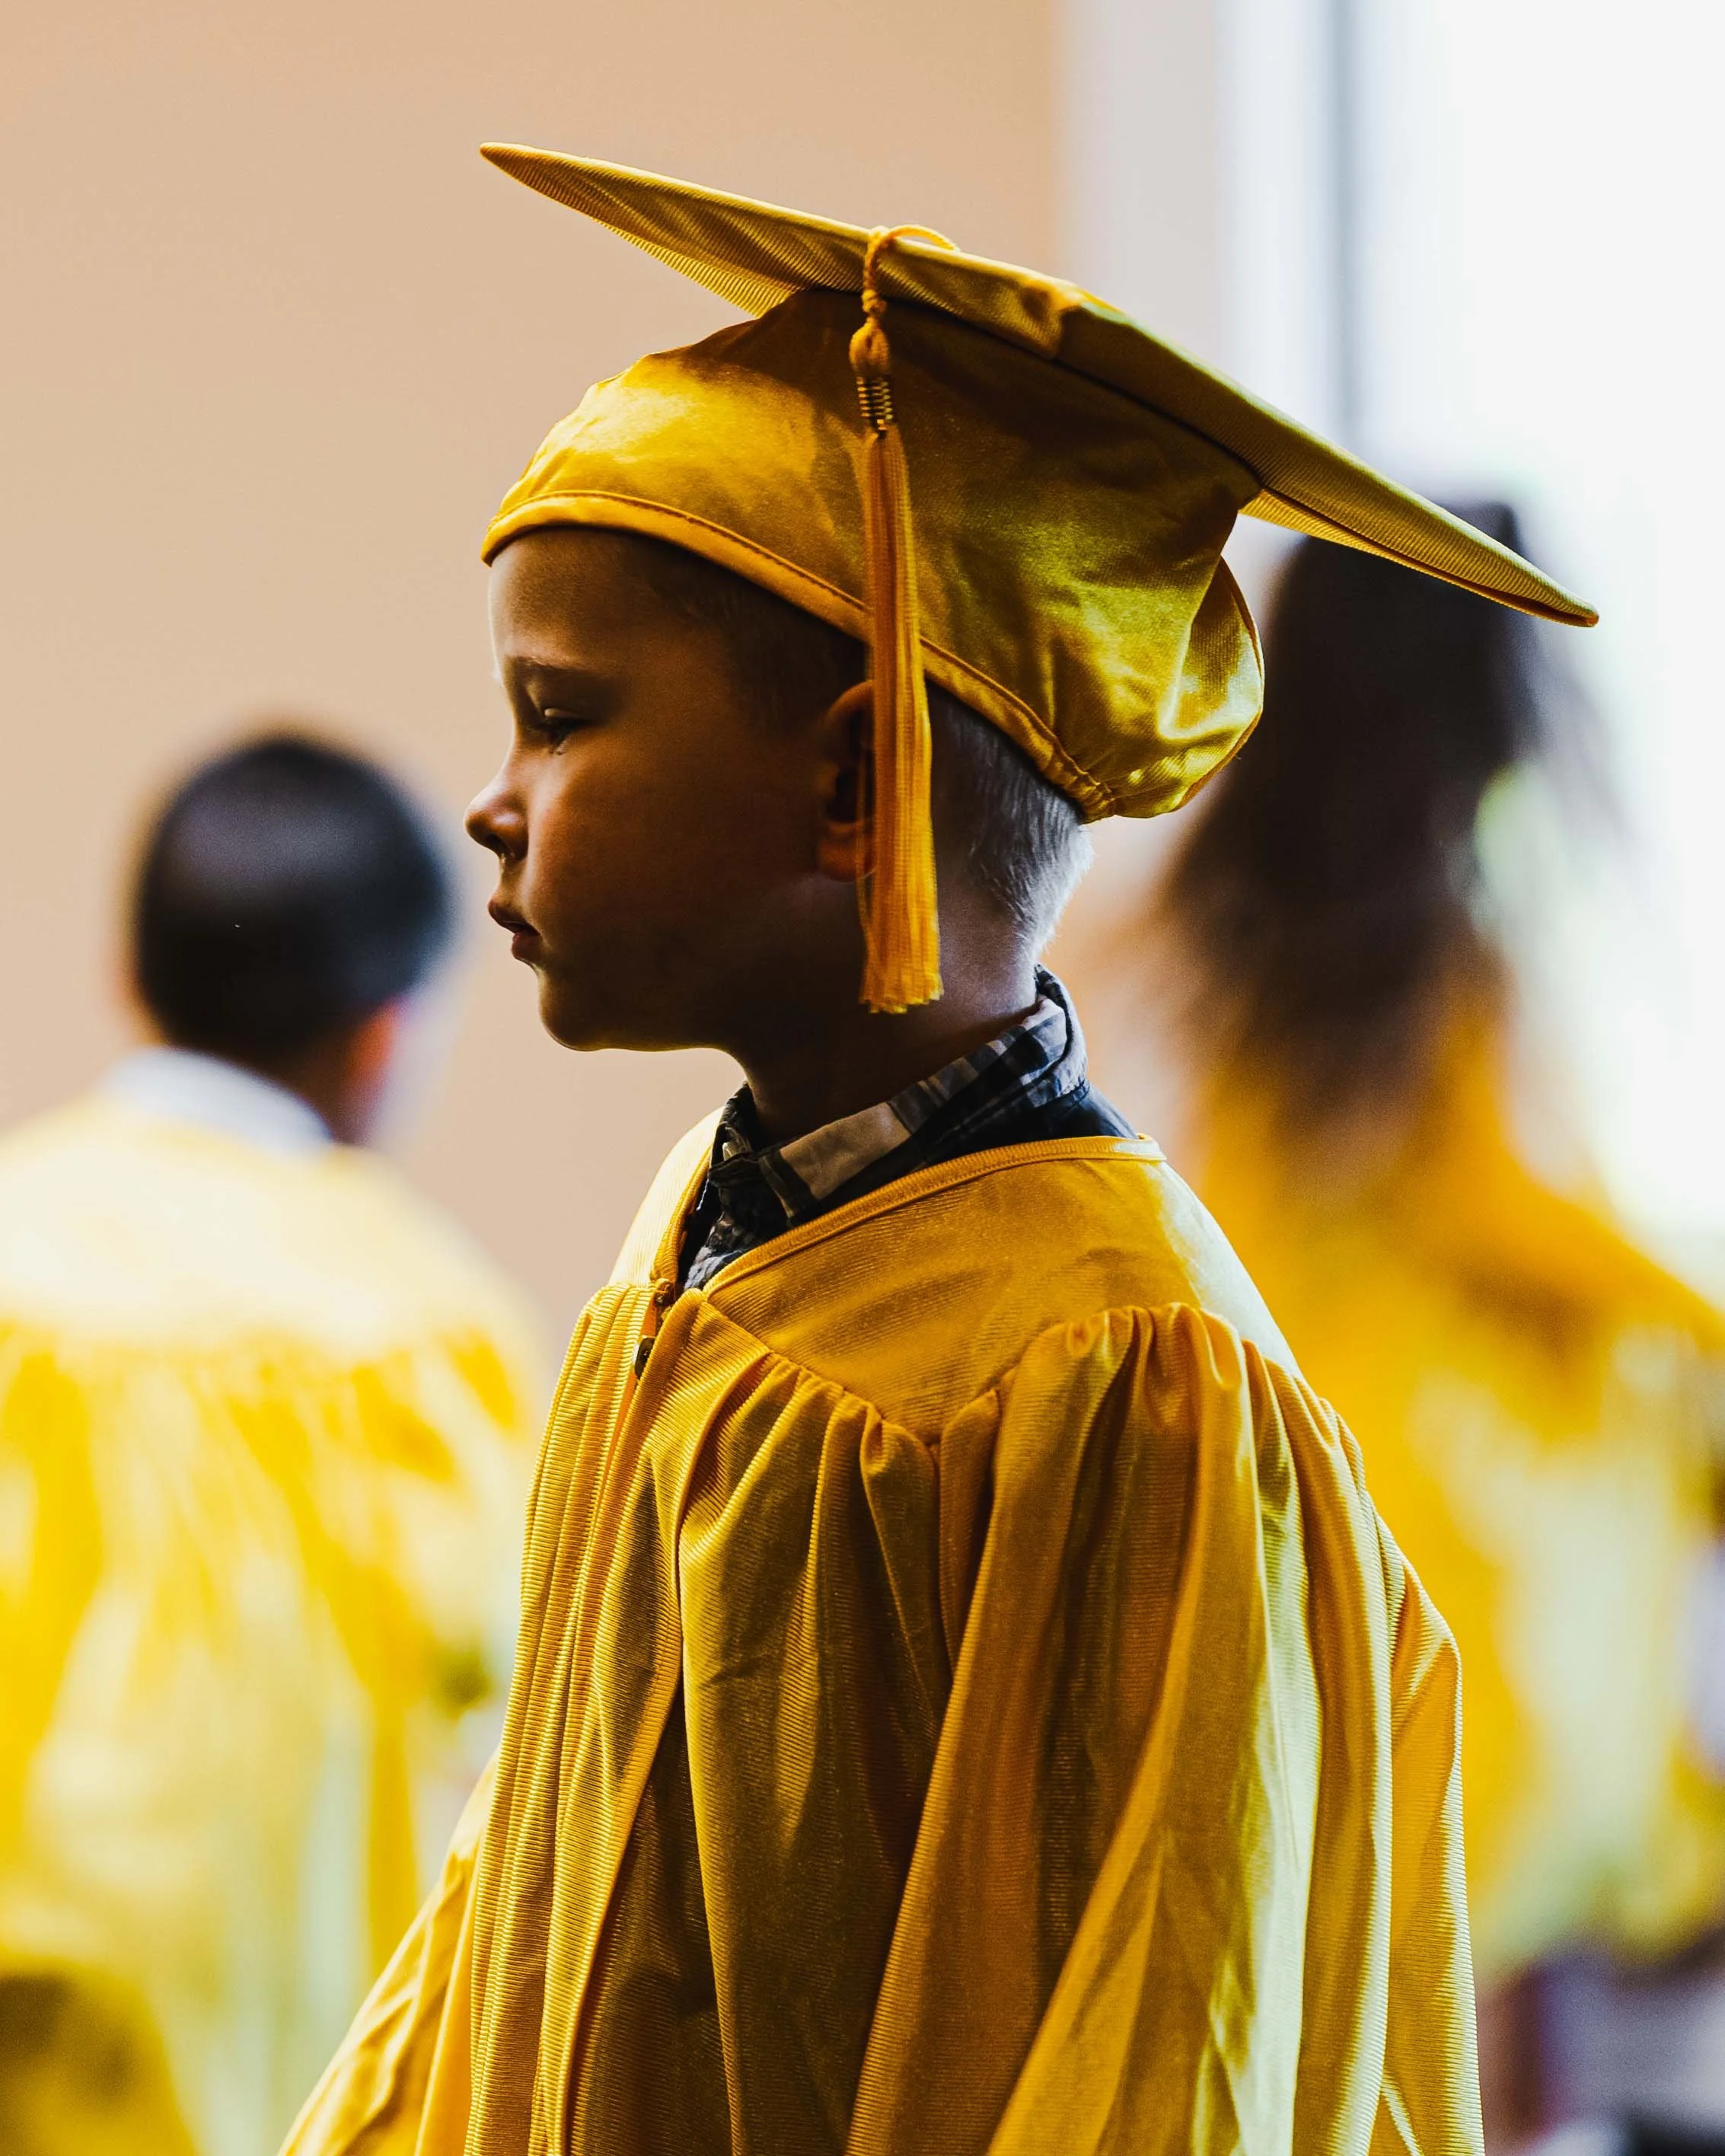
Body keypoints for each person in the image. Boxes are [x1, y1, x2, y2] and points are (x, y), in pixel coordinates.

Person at [285, 152, 1597, 2156]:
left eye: (559, 716)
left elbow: (1163, 2061)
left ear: (847, 779)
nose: (493, 800)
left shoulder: (1128, 1390)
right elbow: (515, 1923)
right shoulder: (709, 1239)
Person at [1147, 519, 1725, 2142]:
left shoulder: (1266, 929)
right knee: (1465, 1989)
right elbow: (1506, 1202)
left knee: (1377, 1991)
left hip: (1317, 1494)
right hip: (1457, 1539)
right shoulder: (1434, 938)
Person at [0, 733, 544, 2156]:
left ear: (132, 976)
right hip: (282, 2093)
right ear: (386, 1031)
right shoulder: (428, 1332)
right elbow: (510, 1732)